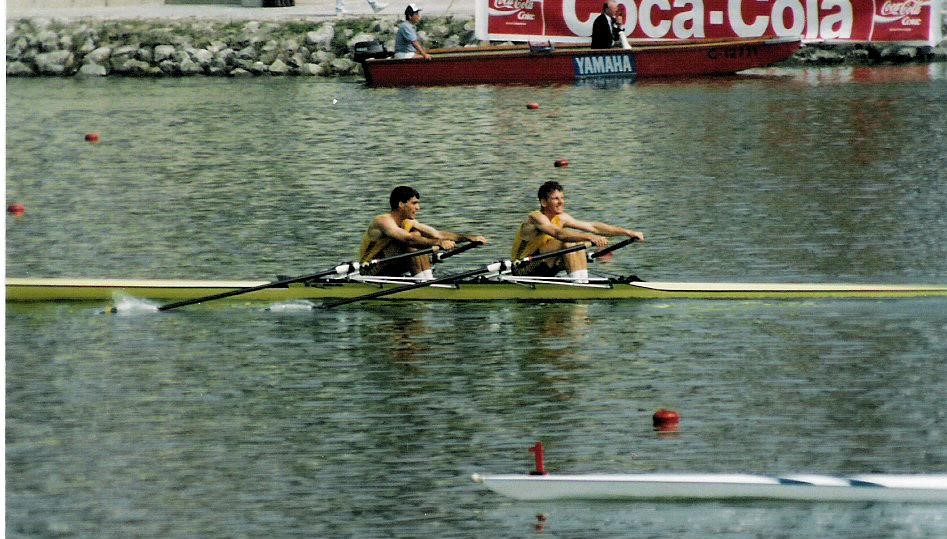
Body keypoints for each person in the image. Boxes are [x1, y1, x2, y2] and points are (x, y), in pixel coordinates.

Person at [511, 181, 644, 282]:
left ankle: (582, 282)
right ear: (544, 202)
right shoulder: (536, 218)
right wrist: (589, 238)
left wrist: (628, 232)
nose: (561, 202)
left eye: (562, 198)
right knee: (569, 241)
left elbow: (594, 227)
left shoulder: (562, 218)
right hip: (522, 268)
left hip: (546, 265)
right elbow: (559, 234)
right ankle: (581, 284)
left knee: (576, 242)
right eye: (556, 198)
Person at [359, 186, 488, 279]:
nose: (418, 208)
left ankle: (427, 279)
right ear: (401, 204)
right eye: (414, 203)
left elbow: (437, 234)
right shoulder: (383, 221)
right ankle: (424, 283)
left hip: (391, 265)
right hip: (370, 270)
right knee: (413, 239)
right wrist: (438, 243)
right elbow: (408, 239)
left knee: (418, 236)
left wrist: (469, 238)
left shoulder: (408, 221)